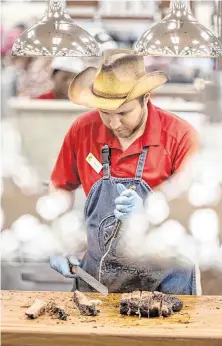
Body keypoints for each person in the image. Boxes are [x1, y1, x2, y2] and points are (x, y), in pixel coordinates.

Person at [49, 49, 200, 294]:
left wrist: (153, 214)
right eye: (105, 113)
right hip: (98, 282)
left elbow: (200, 215)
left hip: (166, 286)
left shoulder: (179, 137)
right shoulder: (83, 130)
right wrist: (57, 241)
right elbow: (60, 188)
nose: (114, 124)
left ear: (146, 97)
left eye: (123, 113)